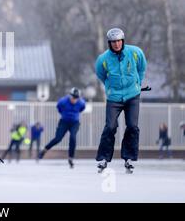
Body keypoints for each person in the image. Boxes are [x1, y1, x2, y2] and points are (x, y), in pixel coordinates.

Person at [95, 28, 147, 173]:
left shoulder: (135, 53)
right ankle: (103, 158)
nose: (116, 44)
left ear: (122, 41)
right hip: (114, 98)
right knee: (110, 126)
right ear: (109, 43)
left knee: (132, 126)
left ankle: (129, 157)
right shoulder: (103, 59)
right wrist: (110, 87)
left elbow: (142, 68)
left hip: (132, 96)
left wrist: (138, 82)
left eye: (118, 41)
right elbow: (101, 74)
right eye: (113, 42)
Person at [39, 88, 85, 168]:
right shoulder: (63, 101)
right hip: (64, 122)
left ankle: (71, 158)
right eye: (73, 97)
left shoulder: (81, 103)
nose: (74, 100)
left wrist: (74, 116)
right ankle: (45, 150)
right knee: (58, 138)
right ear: (69, 96)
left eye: (76, 98)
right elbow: (59, 108)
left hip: (74, 123)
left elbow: (81, 109)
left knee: (73, 137)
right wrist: (64, 114)